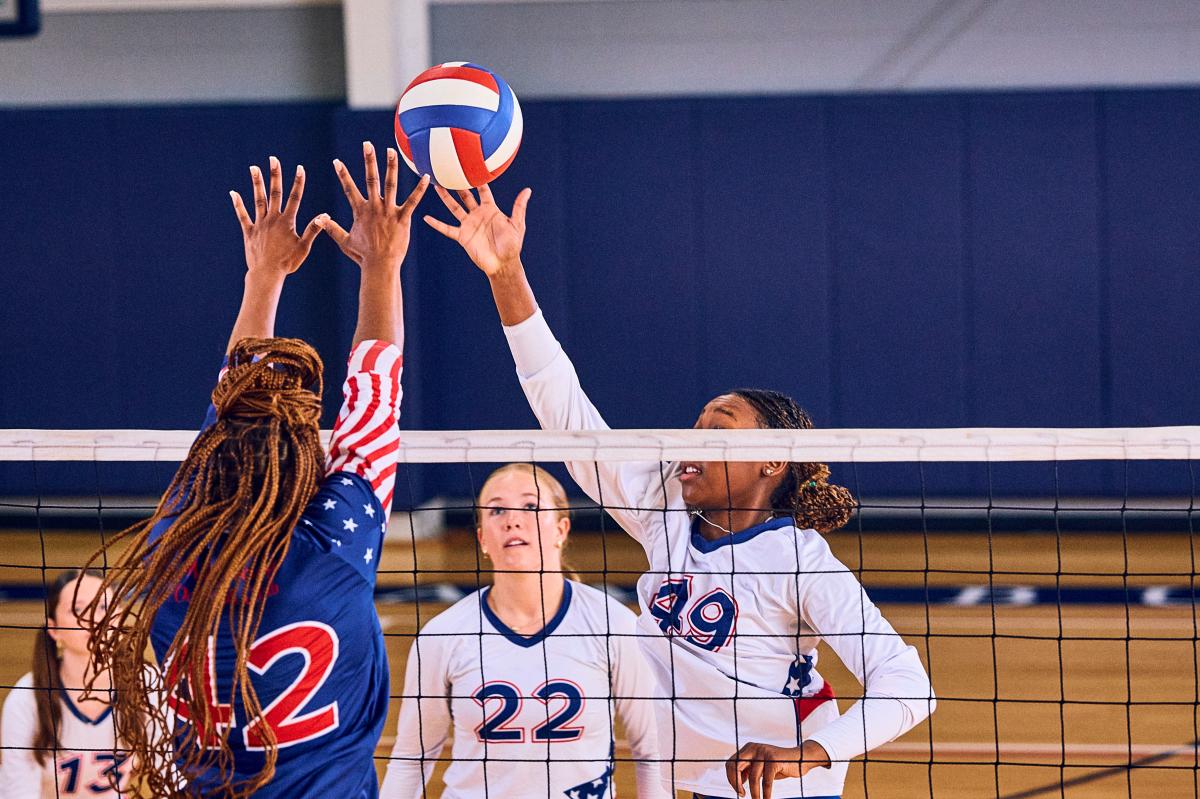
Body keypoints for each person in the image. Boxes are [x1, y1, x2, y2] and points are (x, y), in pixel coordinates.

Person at [424, 184, 936, 799]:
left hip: (775, 784)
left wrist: (810, 754)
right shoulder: (663, 505)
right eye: (692, 428)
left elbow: (909, 685)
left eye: (716, 432)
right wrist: (507, 273)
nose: (689, 444)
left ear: (770, 460)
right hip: (679, 773)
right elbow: (561, 405)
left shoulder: (796, 561)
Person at [83, 144, 430, 798]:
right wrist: (382, 264)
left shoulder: (169, 558)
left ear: (212, 467)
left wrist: (262, 277)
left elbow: (236, 420)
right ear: (307, 466)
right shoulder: (329, 554)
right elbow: (371, 392)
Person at [380, 463, 668, 799]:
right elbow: (411, 759)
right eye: (497, 509)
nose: (512, 519)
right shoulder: (443, 636)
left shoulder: (614, 625)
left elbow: (652, 753)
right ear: (482, 538)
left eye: (531, 506)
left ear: (561, 529)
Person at [0, 570, 127, 798]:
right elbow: (19, 792)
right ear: (54, 629)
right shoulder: (26, 697)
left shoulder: (146, 687)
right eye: (78, 609)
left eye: (103, 607)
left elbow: (168, 778)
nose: (94, 619)